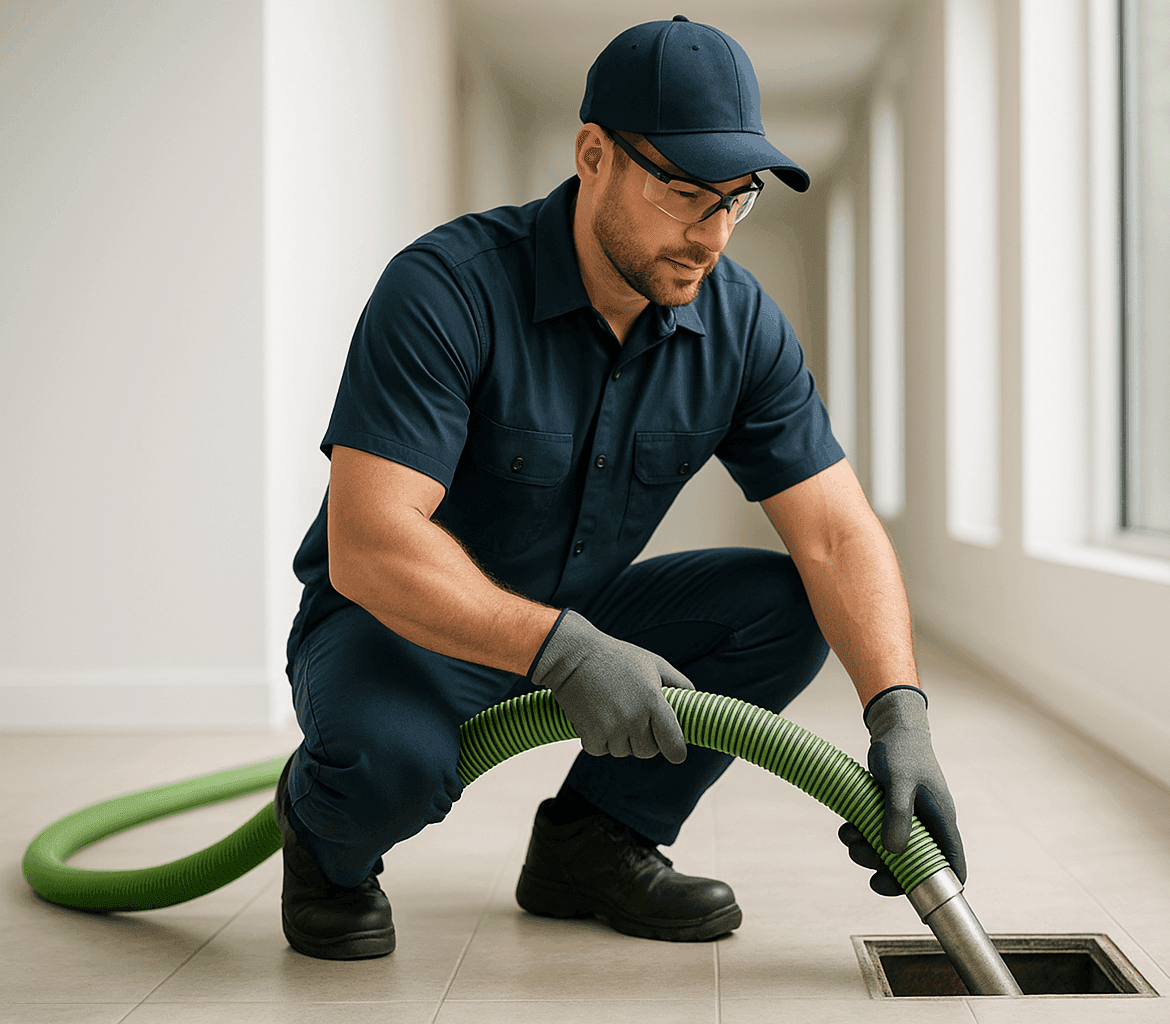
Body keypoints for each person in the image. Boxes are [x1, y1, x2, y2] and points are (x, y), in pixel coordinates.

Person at [275, 15, 965, 961]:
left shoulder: (738, 325)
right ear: (594, 155)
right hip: (398, 625)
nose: (712, 235)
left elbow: (837, 535)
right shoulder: (446, 290)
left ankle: (594, 843)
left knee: (783, 606)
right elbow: (371, 544)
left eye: (737, 199)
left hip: (584, 615)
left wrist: (899, 713)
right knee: (389, 766)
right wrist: (561, 651)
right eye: (684, 192)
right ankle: (325, 849)